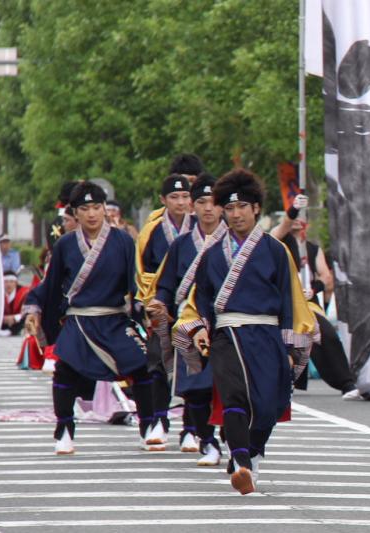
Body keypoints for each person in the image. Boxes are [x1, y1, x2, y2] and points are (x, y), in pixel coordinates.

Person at [173, 168, 316, 495]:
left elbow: (290, 298)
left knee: (268, 403)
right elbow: (201, 299)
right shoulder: (211, 253)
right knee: (233, 396)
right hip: (227, 336)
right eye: (230, 208)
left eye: (243, 207)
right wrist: (197, 329)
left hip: (267, 337)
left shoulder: (276, 252)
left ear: (256, 209)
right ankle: (241, 463)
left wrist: (293, 344)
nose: (235, 214)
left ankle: (251, 451)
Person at [22, 181, 156, 454]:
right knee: (64, 371)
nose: (92, 214)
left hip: (114, 319)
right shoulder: (66, 245)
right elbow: (50, 285)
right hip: (79, 321)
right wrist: (33, 309)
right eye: (85, 209)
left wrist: (145, 308)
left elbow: (135, 283)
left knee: (141, 367)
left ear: (105, 208)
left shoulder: (123, 241)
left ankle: (150, 427)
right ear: (76, 212)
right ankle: (64, 430)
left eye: (97, 207)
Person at [151, 174, 227, 466]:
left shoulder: (234, 242)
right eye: (201, 202)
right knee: (196, 386)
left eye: (213, 202)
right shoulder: (182, 244)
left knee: (229, 386)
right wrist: (160, 301)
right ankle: (206, 441)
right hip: (190, 322)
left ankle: (233, 438)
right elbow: (167, 284)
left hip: (226, 320)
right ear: (193, 207)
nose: (208, 208)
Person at [271, 195, 361, 400]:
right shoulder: (277, 242)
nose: (295, 220)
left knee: (326, 334)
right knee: (285, 341)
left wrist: (314, 288)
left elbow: (327, 277)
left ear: (306, 223)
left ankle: (346, 382)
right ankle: (286, 381)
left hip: (308, 303)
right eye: (293, 216)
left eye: (300, 216)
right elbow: (282, 226)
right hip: (283, 302)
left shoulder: (313, 249)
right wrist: (293, 208)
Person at [136, 174, 195, 449]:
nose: (180, 202)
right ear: (163, 200)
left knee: (194, 364)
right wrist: (150, 303)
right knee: (158, 360)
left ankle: (192, 428)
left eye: (185, 197)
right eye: (174, 197)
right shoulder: (153, 230)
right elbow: (143, 268)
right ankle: (159, 420)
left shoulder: (202, 227)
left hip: (194, 305)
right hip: (161, 301)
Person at [1, 271, 29, 336]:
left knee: (27, 316)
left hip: (17, 320)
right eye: (6, 281)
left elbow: (27, 310)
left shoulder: (24, 292)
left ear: (16, 283)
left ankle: (11, 331)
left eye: (11, 281)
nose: (8, 284)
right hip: (3, 320)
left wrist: (14, 318)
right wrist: (3, 318)